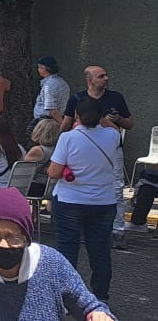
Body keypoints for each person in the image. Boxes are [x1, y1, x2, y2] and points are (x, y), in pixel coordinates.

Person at [0, 186, 115, 320]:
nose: (3, 245)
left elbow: (88, 305)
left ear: (27, 238)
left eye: (13, 237)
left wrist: (98, 314)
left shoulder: (51, 262)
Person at [48, 97, 119, 301]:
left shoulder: (68, 138)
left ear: (77, 115)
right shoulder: (112, 136)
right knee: (100, 250)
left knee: (68, 248)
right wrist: (105, 120)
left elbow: (53, 172)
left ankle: (67, 296)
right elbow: (110, 127)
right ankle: (100, 295)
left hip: (71, 199)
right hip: (104, 201)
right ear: (101, 116)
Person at [59, 65, 132, 248]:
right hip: (81, 148)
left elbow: (130, 123)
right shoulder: (77, 98)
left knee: (116, 187)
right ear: (89, 80)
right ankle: (86, 226)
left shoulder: (116, 97)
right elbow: (64, 125)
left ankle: (118, 230)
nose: (106, 79)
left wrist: (118, 121)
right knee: (80, 183)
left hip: (110, 149)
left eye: (106, 75)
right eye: (101, 76)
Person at [30, 56, 69, 134]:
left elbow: (52, 109)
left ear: (44, 69)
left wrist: (63, 125)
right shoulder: (62, 82)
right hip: (56, 119)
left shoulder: (49, 86)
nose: (38, 69)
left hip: (47, 123)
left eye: (39, 67)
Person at [23, 119, 61, 198]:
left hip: (36, 186)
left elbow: (23, 170)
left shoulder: (38, 150)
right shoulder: (59, 150)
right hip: (52, 187)